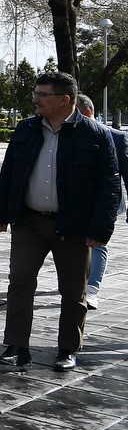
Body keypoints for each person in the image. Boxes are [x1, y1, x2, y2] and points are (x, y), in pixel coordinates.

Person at [0, 74, 121, 371]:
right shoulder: (26, 129)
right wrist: (1, 211)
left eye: (42, 94)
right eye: (35, 93)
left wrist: (101, 229)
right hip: (29, 221)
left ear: (64, 99)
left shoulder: (95, 135)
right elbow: (9, 171)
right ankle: (16, 347)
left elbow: (109, 186)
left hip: (73, 226)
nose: (35, 99)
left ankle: (67, 349)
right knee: (20, 283)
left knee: (74, 290)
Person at [76, 95, 127, 309]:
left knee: (98, 244)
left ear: (87, 112)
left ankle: (92, 289)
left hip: (106, 201)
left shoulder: (115, 136)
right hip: (77, 200)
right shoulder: (67, 135)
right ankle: (78, 281)